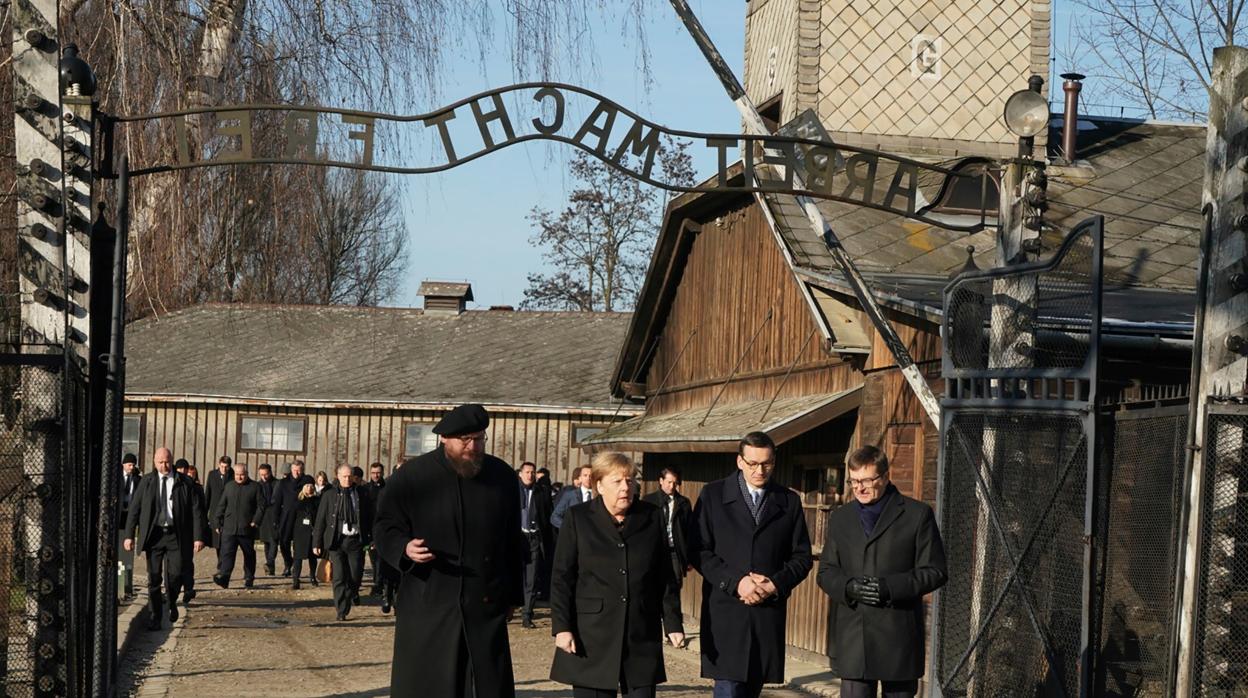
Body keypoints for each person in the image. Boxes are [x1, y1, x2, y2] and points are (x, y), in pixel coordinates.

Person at [374, 403, 525, 697]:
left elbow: (511, 540)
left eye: (479, 439)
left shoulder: (502, 476)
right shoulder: (412, 477)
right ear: (444, 439)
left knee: (484, 684)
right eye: (465, 440)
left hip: (483, 601)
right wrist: (404, 548)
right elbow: (384, 526)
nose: (473, 446)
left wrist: (512, 596)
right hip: (428, 599)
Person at [816, 446, 948, 698]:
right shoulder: (841, 517)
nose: (860, 488)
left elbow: (935, 571)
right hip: (854, 638)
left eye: (867, 480)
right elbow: (825, 571)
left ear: (886, 477)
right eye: (854, 481)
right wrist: (847, 587)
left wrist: (890, 587)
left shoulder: (916, 514)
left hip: (898, 636)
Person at [549, 452, 683, 697]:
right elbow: (562, 577)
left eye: (630, 481)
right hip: (591, 635)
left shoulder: (651, 515)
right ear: (599, 485)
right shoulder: (578, 517)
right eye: (618, 481)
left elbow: (664, 575)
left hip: (640, 632)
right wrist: (562, 627)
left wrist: (673, 622)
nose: (626, 487)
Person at [693, 431, 813, 698]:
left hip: (766, 613)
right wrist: (737, 582)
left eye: (767, 463)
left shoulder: (788, 501)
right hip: (726, 611)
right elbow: (699, 550)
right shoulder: (713, 495)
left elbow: (802, 557)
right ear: (739, 462)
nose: (760, 470)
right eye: (753, 464)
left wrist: (775, 584)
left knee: (751, 689)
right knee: (728, 688)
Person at [122, 447, 206, 630]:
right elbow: (134, 510)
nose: (164, 465)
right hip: (154, 535)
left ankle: (172, 601)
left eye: (167, 462)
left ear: (172, 460)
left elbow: (196, 511)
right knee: (153, 578)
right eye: (160, 462)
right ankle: (155, 617)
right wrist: (129, 535)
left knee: (175, 575)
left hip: (176, 535)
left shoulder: (184, 482)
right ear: (154, 462)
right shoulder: (147, 482)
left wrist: (198, 537)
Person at [314, 464, 374, 620]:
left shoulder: (362, 493)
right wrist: (316, 543)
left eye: (350, 476)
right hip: (337, 541)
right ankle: (341, 610)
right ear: (338, 476)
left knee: (355, 576)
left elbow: (370, 517)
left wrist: (372, 538)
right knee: (339, 577)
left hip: (355, 541)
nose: (347, 479)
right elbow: (320, 520)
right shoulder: (329, 495)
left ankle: (351, 593)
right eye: (344, 476)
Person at [641, 467, 693, 643]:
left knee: (673, 590)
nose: (671, 486)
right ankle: (652, 628)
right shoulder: (649, 501)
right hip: (654, 552)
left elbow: (689, 530)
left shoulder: (683, 503)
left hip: (675, 553)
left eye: (674, 482)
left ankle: (673, 631)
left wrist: (688, 557)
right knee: (652, 589)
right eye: (668, 482)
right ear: (660, 481)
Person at [212, 462, 265, 589]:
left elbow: (261, 506)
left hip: (246, 528)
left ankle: (249, 577)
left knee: (249, 554)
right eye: (237, 474)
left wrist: (255, 520)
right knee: (227, 554)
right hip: (229, 528)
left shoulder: (255, 487)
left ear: (247, 474)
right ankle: (224, 577)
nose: (239, 477)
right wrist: (217, 521)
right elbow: (221, 505)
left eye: (242, 475)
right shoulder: (229, 486)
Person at [518, 461, 554, 628]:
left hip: (534, 538)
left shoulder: (542, 492)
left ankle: (527, 614)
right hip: (517, 538)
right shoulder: (513, 491)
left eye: (532, 472)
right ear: (520, 473)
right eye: (527, 472)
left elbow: (548, 516)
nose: (530, 475)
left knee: (532, 578)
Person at [277, 459, 314, 578]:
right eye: (294, 470)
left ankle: (300, 571)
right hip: (287, 516)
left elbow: (311, 492)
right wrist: (275, 519)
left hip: (302, 517)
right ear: (291, 470)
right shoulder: (283, 483)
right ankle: (288, 563)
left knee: (300, 544)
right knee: (284, 542)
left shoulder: (307, 480)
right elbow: (277, 502)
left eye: (299, 471)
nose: (296, 473)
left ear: (302, 470)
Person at [117, 452, 142, 598]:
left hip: (130, 519)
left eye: (133, 465)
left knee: (128, 554)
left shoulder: (137, 480)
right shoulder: (117, 479)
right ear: (123, 465)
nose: (131, 468)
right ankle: (120, 586)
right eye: (129, 465)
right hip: (119, 518)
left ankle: (128, 586)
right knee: (120, 555)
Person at [290, 482, 321, 589]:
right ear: (303, 488)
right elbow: (292, 517)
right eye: (307, 486)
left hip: (313, 532)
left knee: (313, 557)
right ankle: (295, 579)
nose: (309, 488)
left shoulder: (317, 501)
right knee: (298, 557)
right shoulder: (298, 501)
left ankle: (312, 576)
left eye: (311, 486)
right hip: (300, 533)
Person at [363, 461, 387, 595]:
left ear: (382, 473)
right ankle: (377, 582)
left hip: (384, 527)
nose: (375, 475)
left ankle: (379, 584)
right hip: (370, 527)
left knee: (382, 557)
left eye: (378, 473)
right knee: (374, 557)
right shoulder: (366, 489)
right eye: (373, 473)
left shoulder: (387, 487)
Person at [205, 455, 232, 561]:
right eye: (222, 466)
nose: (224, 469)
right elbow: (208, 494)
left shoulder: (233, 475)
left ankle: (223, 564)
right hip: (215, 512)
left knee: (226, 540)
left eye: (226, 467)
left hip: (228, 512)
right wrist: (205, 512)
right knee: (217, 541)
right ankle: (220, 563)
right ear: (218, 465)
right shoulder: (212, 475)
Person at [257, 463, 282, 576]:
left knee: (273, 540)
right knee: (267, 541)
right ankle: (270, 567)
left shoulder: (277, 483)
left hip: (274, 515)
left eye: (266, 474)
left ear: (270, 472)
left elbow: (275, 499)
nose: (264, 477)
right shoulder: (258, 485)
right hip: (263, 516)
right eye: (261, 474)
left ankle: (270, 562)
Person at [552, 464, 594, 530]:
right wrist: (569, 528)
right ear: (580, 478)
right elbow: (555, 517)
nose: (588, 478)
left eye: (591, 476)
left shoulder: (600, 496)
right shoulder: (570, 495)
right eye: (585, 475)